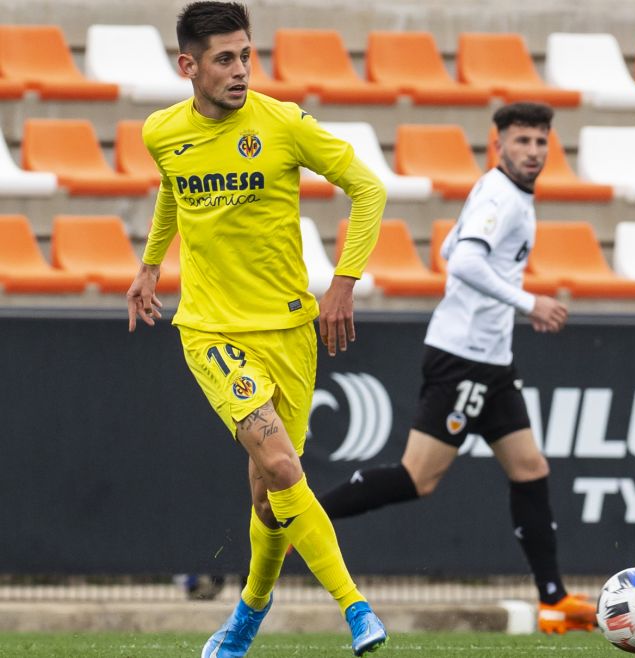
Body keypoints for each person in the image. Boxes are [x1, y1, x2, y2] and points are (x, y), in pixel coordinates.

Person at [125, 2, 389, 655]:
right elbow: (173, 186)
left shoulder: (283, 124)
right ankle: (355, 608)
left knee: (273, 497)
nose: (241, 69)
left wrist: (344, 281)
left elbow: (369, 188)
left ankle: (247, 611)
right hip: (210, 329)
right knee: (279, 461)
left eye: (246, 54)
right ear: (189, 65)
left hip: (291, 330)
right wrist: (152, 266)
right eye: (224, 58)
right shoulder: (162, 131)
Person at [316, 101, 594, 634]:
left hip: (492, 361)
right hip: (462, 357)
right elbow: (462, 260)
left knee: (531, 469)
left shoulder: (504, 192)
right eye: (522, 141)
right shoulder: (500, 195)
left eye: (541, 141)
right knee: (417, 478)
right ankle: (295, 518)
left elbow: (450, 243)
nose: (533, 151)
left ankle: (553, 599)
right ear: (499, 145)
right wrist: (528, 302)